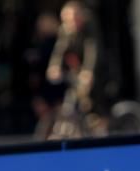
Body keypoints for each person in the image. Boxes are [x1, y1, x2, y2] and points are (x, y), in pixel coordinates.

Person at [46, 1, 107, 132]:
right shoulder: (65, 30)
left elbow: (92, 50)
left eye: (74, 19)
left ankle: (102, 126)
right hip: (77, 70)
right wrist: (54, 66)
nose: (71, 23)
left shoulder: (89, 26)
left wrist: (88, 71)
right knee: (73, 96)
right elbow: (59, 50)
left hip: (99, 68)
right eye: (67, 20)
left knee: (93, 98)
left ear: (80, 17)